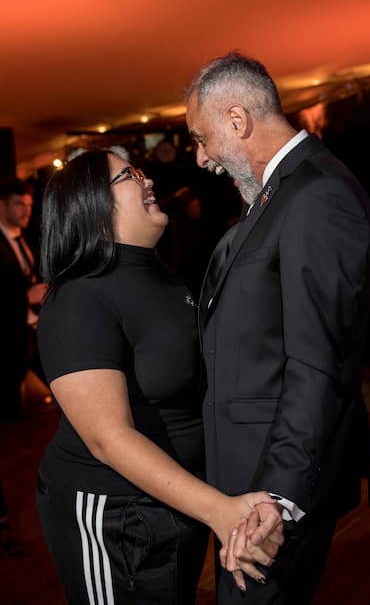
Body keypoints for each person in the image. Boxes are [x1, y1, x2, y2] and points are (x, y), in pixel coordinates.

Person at [35, 148, 282, 605]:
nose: (147, 180)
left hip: (176, 501)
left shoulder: (160, 276)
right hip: (114, 514)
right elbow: (107, 439)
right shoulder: (78, 299)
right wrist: (219, 510)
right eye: (129, 175)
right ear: (92, 203)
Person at [185, 52, 370, 604]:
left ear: (238, 120)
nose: (201, 159)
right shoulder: (276, 194)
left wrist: (278, 496)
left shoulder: (317, 195)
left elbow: (318, 363)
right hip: (246, 478)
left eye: (202, 139)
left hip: (273, 485)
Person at [0, 176, 47, 422]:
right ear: (2, 205)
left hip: (31, 334)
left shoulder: (25, 238)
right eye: (19, 204)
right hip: (8, 338)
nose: (26, 210)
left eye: (29, 205)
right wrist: (24, 297)